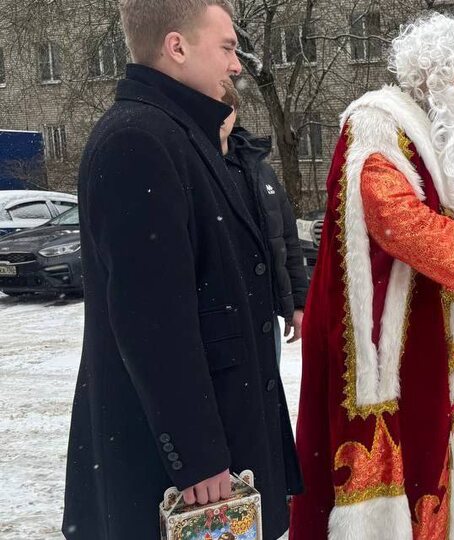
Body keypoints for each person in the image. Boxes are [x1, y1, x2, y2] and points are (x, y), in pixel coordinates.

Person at [288, 13, 454, 539]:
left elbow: (430, 245)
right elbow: (402, 224)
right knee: (387, 482)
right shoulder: (377, 124)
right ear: (437, 79)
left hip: (420, 343)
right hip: (378, 348)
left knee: (426, 460)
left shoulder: (423, 136)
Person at [63, 1, 302, 538]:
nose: (236, 64)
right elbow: (152, 321)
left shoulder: (184, 135)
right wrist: (196, 455)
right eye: (226, 47)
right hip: (183, 469)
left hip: (221, 437)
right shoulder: (139, 141)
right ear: (177, 47)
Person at [219, 82, 309, 361]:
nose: (221, 116)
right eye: (214, 106)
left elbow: (286, 242)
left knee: (267, 396)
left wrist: (297, 304)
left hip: (264, 311)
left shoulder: (259, 170)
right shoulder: (192, 166)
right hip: (221, 315)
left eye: (228, 107)